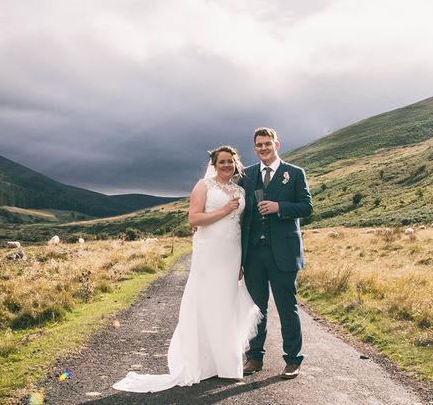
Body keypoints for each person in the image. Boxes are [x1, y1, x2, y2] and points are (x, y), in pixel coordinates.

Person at [112, 146, 261, 393]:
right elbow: (194, 219)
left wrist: (242, 261)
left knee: (226, 303)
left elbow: (242, 225)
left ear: (236, 164)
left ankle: (224, 364)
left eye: (230, 162)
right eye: (222, 161)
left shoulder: (240, 190)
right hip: (209, 251)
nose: (226, 165)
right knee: (205, 302)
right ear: (214, 164)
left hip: (231, 253)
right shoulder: (203, 186)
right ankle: (199, 363)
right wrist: (224, 210)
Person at [239, 127, 313, 379]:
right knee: (256, 309)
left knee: (287, 307)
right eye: (259, 145)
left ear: (277, 145)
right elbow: (238, 211)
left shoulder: (294, 173)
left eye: (267, 144)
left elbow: (307, 206)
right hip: (254, 254)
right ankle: (254, 358)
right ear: (254, 148)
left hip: (283, 253)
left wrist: (279, 207)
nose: (263, 148)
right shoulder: (246, 175)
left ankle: (293, 359)